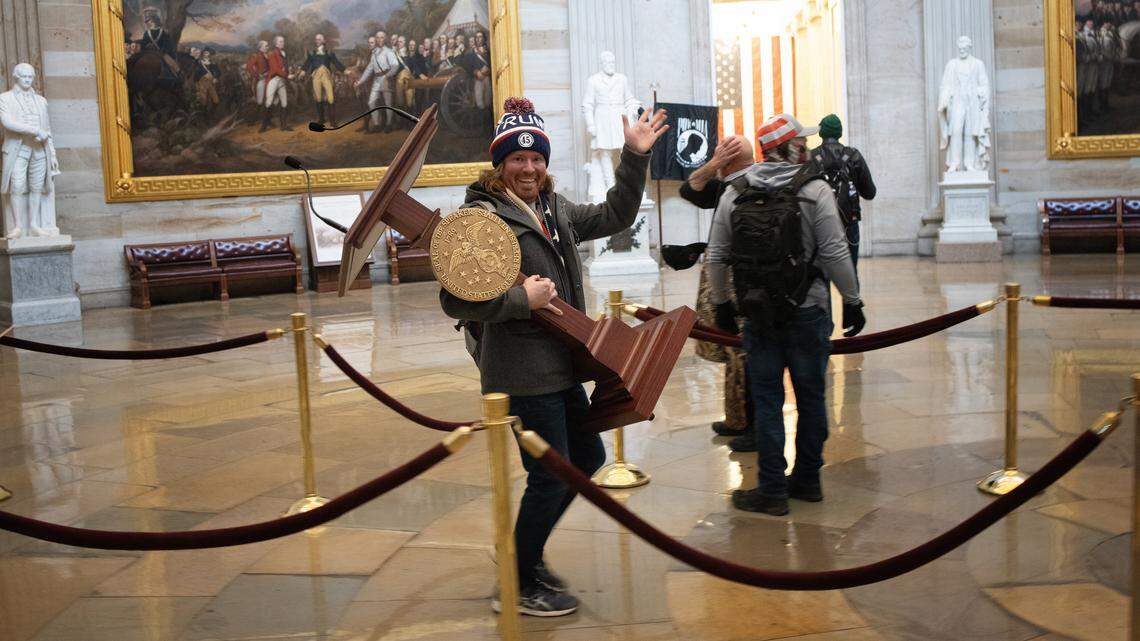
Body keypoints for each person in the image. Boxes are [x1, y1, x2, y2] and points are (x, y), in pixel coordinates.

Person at [440, 97, 668, 616]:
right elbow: (454, 300)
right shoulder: (480, 219)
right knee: (551, 474)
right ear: (500, 164)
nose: (529, 168)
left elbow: (616, 214)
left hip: (562, 364)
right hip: (521, 372)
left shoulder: (554, 207)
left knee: (586, 460)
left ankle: (525, 553)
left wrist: (634, 157)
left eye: (536, 158)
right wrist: (521, 299)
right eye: (517, 159)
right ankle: (518, 581)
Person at [707, 113, 865, 516]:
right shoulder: (815, 189)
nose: (807, 147)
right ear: (791, 147)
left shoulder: (735, 190)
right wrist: (852, 299)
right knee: (812, 399)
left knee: (767, 400)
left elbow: (717, 255)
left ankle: (772, 489)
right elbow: (835, 250)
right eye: (802, 142)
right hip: (808, 310)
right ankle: (808, 480)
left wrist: (722, 305)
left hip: (758, 314)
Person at [678, 135, 758, 449]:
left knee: (745, 355)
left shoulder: (748, 186)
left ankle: (754, 427)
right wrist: (715, 164)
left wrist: (716, 164)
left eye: (720, 156)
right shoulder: (727, 186)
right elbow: (690, 188)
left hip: (742, 284)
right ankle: (737, 419)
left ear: (728, 161)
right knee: (735, 353)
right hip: (730, 281)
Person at [808, 114, 876, 272]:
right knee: (850, 275)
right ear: (839, 132)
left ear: (821, 132)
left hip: (820, 225)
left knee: (820, 277)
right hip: (849, 224)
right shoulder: (854, 156)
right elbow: (870, 193)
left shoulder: (811, 157)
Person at [1, 63, 60, 240]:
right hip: (18, 149)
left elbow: (47, 130)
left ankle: (34, 224)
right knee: (17, 186)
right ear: (16, 77)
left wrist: (53, 154)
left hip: (39, 150)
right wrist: (35, 130)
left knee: (37, 187)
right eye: (24, 77)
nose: (27, 80)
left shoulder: (41, 101)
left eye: (30, 77)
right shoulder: (5, 98)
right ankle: (18, 226)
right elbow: (8, 123)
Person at [355, 31, 399, 133]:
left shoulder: (389, 52)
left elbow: (395, 66)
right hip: (377, 80)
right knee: (371, 102)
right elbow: (369, 69)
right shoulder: (374, 53)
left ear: (385, 39)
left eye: (382, 37)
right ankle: (377, 124)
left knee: (388, 104)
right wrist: (360, 81)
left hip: (386, 79)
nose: (379, 39)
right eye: (378, 37)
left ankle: (388, 124)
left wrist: (387, 76)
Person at [301, 33, 346, 128]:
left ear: (323, 41)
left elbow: (336, 62)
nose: (317, 41)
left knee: (330, 97)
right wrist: (303, 71)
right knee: (318, 97)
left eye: (319, 39)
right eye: (316, 39)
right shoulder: (312, 53)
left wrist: (344, 70)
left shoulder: (329, 52)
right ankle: (321, 119)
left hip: (326, 76)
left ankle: (332, 121)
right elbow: (307, 63)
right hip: (316, 76)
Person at [263, 35, 294, 132]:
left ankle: (283, 126)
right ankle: (264, 125)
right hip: (274, 79)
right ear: (276, 43)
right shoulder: (272, 53)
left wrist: (288, 74)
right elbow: (275, 69)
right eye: (281, 41)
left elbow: (285, 67)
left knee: (284, 103)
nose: (283, 43)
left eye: (283, 41)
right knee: (269, 102)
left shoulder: (283, 53)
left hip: (282, 80)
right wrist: (287, 75)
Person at [193, 47, 220, 118]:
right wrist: (197, 84)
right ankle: (203, 116)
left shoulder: (213, 64)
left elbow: (218, 72)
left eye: (209, 54)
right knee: (203, 101)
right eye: (206, 54)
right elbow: (196, 75)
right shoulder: (199, 64)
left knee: (216, 101)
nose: (208, 55)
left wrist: (216, 77)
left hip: (211, 83)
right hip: (202, 83)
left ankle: (211, 114)